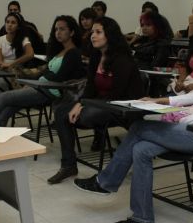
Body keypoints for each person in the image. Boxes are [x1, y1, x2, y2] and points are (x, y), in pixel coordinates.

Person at [74, 10, 193, 223]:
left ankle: (105, 183)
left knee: (140, 126)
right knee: (141, 149)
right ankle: (142, 218)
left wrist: (181, 121)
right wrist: (159, 99)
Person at [51, 17, 145, 184]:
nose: (93, 35)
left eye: (98, 32)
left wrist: (84, 105)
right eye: (92, 32)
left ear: (110, 35)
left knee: (85, 116)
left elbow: (117, 94)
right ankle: (68, 165)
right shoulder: (96, 56)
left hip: (122, 107)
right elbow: (90, 88)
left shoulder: (122, 59)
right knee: (61, 112)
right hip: (101, 103)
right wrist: (79, 103)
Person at [0, 15, 86, 127]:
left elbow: (59, 77)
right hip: (42, 87)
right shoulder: (60, 51)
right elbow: (47, 72)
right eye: (56, 29)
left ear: (71, 32)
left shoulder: (73, 53)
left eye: (62, 29)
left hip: (51, 92)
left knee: (3, 98)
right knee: (8, 108)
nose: (58, 32)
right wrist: (35, 82)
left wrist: (39, 81)